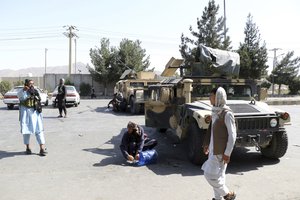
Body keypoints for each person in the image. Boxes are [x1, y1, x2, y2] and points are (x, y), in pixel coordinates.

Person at [201, 87, 237, 200]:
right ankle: (218, 198)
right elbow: (211, 130)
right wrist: (206, 144)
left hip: (221, 151)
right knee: (219, 176)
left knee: (209, 175)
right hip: (213, 148)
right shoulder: (215, 111)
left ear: (218, 97)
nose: (209, 98)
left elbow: (232, 136)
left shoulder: (227, 114)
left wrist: (227, 153)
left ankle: (227, 195)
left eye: (211, 96)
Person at [17, 79, 47, 156]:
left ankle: (42, 148)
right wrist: (24, 90)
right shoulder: (22, 91)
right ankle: (28, 148)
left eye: (32, 83)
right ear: (26, 84)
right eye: (30, 83)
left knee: (39, 130)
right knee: (26, 131)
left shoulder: (35, 91)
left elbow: (40, 99)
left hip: (35, 113)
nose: (31, 85)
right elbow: (20, 96)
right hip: (26, 114)